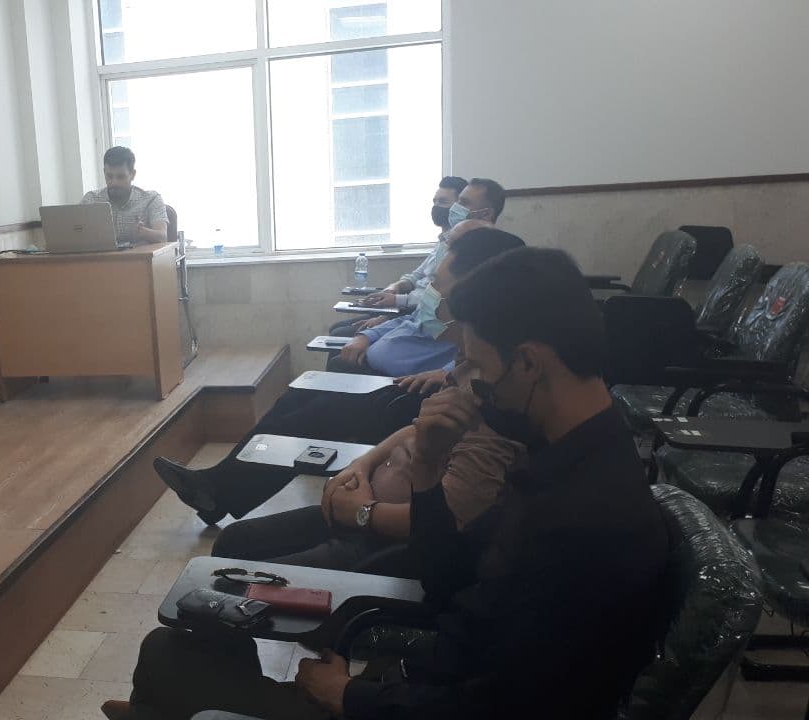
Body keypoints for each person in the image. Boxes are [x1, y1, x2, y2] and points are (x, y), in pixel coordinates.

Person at [105, 247, 670, 720]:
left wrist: (351, 696)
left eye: (481, 370)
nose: (474, 389)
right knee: (190, 642)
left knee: (168, 658)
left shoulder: (588, 522)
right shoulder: (568, 459)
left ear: (528, 363)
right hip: (428, 674)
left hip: (426, 703)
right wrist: (427, 468)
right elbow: (448, 576)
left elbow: (500, 706)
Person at [154, 228, 525, 524]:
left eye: (439, 288)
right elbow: (417, 323)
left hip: (406, 391)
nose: (431, 294)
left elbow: (469, 370)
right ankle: (219, 488)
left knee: (316, 416)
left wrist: (443, 374)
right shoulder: (452, 296)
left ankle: (219, 491)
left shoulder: (487, 339)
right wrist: (369, 337)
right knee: (295, 399)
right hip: (391, 379)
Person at [207, 387, 524, 571]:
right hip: (354, 515)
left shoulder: (496, 427)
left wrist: (363, 513)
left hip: (384, 543)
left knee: (237, 583)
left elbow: (450, 516)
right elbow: (414, 428)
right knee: (233, 541)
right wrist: (359, 466)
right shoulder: (468, 377)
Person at [329, 177, 468, 337]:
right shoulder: (442, 242)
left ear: (458, 208)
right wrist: (395, 287)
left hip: (418, 314)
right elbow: (416, 276)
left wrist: (390, 311)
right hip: (405, 307)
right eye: (434, 202)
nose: (436, 207)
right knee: (336, 328)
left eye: (442, 202)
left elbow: (437, 296)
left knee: (340, 334)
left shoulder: (461, 249)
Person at [82, 146, 169, 246]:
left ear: (132, 174)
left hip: (140, 255)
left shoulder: (151, 199)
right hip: (101, 256)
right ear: (104, 172)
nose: (114, 182)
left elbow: (163, 237)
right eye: (109, 176)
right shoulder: (91, 200)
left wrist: (144, 232)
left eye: (120, 177)